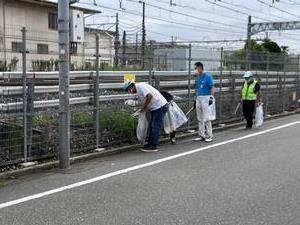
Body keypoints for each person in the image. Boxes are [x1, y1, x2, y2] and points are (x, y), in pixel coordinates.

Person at [123, 81, 168, 152]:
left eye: (129, 90)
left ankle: (153, 146)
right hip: (156, 107)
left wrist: (143, 108)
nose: (130, 92)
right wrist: (140, 110)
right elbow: (145, 101)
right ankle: (150, 144)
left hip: (160, 106)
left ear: (131, 87)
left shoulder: (140, 86)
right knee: (151, 126)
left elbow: (149, 96)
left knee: (155, 126)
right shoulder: (138, 89)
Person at [193, 62, 215, 143]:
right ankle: (202, 135)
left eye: (196, 68)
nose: (195, 70)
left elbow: (212, 87)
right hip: (199, 97)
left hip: (206, 97)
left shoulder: (208, 76)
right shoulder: (198, 77)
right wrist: (195, 99)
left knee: (207, 118)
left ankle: (210, 135)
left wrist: (211, 98)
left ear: (200, 67)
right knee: (200, 118)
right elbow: (198, 89)